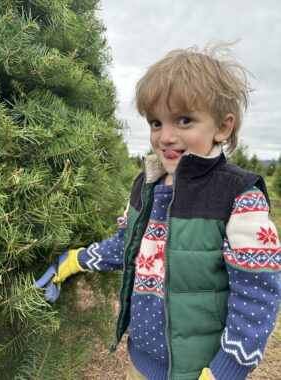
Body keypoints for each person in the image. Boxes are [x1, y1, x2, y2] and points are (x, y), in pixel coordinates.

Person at [37, 44, 281, 380]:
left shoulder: (239, 196)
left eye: (184, 120)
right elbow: (127, 244)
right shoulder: (145, 185)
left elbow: (258, 295)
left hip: (201, 371)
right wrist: (75, 259)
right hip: (143, 362)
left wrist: (226, 370)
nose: (166, 136)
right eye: (155, 122)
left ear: (223, 128)